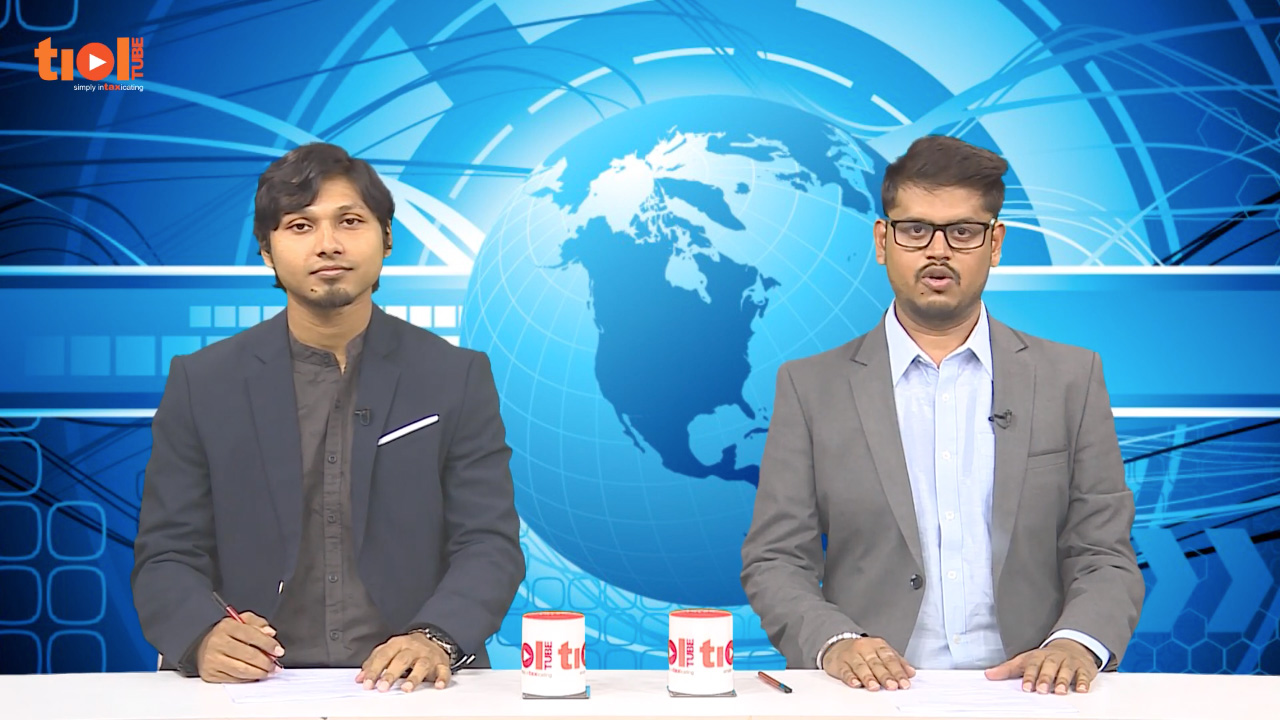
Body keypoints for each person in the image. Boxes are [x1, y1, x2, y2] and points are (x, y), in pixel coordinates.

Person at [741, 135, 1143, 695]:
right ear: (882, 241)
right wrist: (837, 643)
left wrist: (1075, 644)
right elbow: (776, 559)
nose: (938, 251)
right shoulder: (811, 387)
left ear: (995, 243)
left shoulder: (1070, 379)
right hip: (869, 695)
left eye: (963, 232)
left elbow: (1104, 553)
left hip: (1031, 692)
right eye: (915, 230)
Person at [132, 143, 525, 692]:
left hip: (412, 687)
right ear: (266, 250)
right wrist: (203, 636)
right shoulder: (203, 382)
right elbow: (166, 553)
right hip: (254, 688)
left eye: (350, 221)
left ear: (387, 238)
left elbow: (488, 543)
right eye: (300, 226)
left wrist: (434, 638)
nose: (328, 244)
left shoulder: (455, 375)